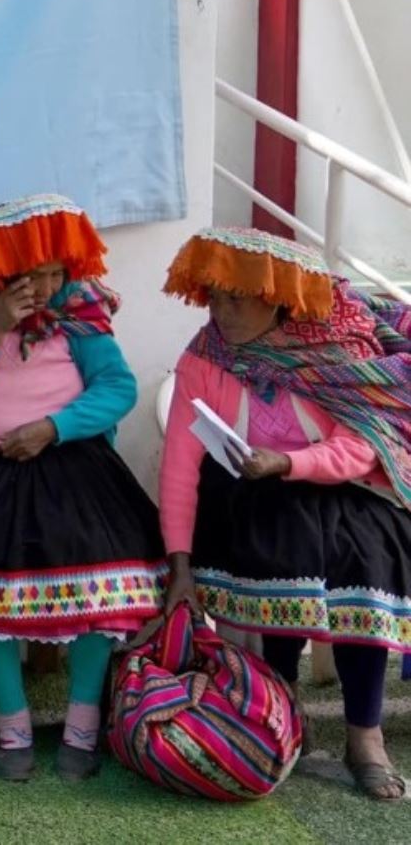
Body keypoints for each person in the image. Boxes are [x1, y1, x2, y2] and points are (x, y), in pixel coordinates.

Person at [0, 193, 163, 782]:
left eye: (53, 274)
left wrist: (54, 427)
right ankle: (12, 721)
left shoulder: (77, 311)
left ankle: (84, 719)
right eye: (30, 276)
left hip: (69, 461)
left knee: (103, 583)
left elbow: (116, 387)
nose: (45, 289)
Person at [158, 226, 411, 801]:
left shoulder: (337, 351)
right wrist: (179, 566)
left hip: (341, 489)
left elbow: (365, 445)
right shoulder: (204, 358)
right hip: (250, 498)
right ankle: (282, 709)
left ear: (277, 298)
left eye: (235, 298)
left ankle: (364, 735)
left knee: (364, 563)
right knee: (278, 542)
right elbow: (179, 466)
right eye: (214, 297)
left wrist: (290, 462)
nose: (219, 312)